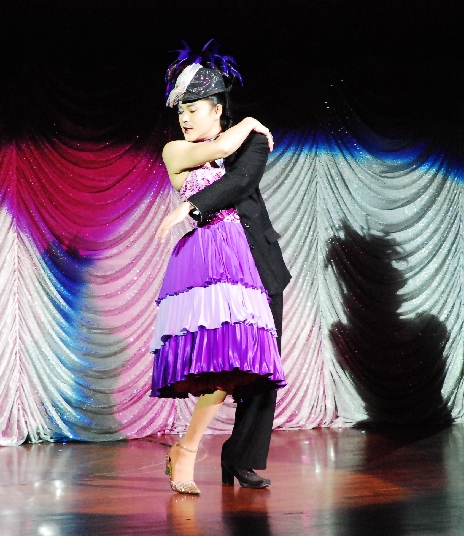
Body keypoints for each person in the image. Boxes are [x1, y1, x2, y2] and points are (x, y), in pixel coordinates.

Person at [151, 42, 292, 495]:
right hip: (212, 262)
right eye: (180, 111)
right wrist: (250, 120)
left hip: (257, 263)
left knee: (258, 367)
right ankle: (188, 449)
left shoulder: (249, 143)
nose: (185, 118)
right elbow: (219, 161)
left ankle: (241, 458)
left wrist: (246, 127)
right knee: (222, 361)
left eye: (193, 109)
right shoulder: (177, 149)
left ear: (216, 109)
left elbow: (241, 180)